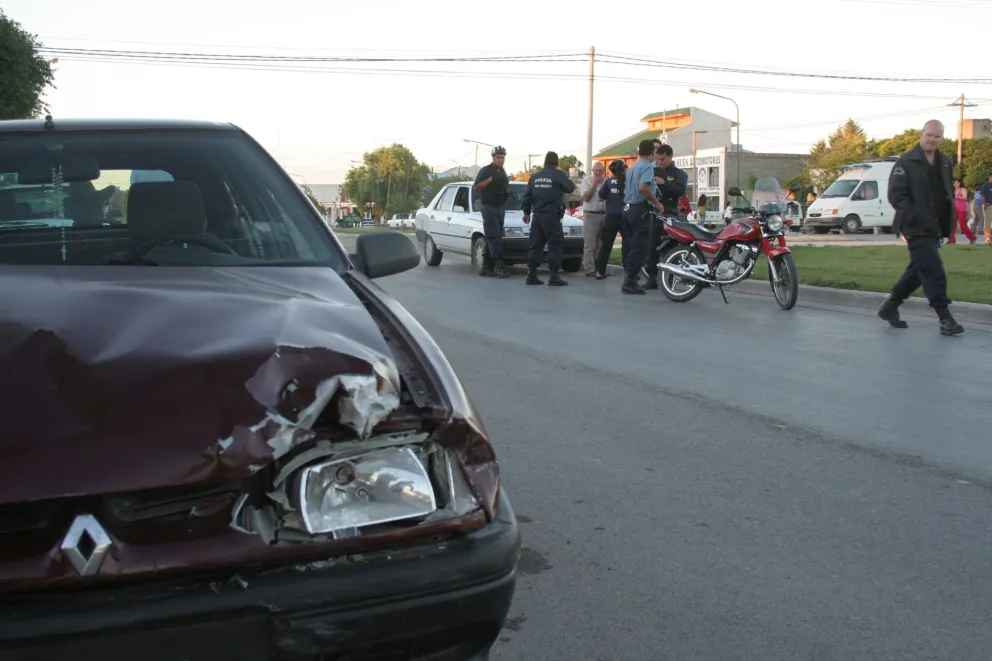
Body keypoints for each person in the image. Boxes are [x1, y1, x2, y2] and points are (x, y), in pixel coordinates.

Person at [877, 120, 964, 335]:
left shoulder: (944, 162)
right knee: (933, 269)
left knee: (919, 270)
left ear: (941, 139)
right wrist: (914, 216)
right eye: (929, 134)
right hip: (915, 226)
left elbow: (945, 193)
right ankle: (944, 316)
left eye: (937, 136)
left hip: (936, 226)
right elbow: (896, 196)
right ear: (921, 134)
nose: (932, 139)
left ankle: (890, 306)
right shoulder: (906, 162)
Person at [521, 151, 576, 286]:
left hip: (537, 216)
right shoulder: (558, 175)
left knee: (535, 245)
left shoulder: (535, 177)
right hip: (552, 216)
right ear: (556, 163)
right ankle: (554, 276)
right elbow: (570, 188)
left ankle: (531, 274)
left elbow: (527, 196)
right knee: (554, 245)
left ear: (544, 162)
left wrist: (526, 212)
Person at [620, 140, 665, 295]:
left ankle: (629, 276)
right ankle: (630, 280)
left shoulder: (632, 168)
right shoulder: (647, 167)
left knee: (633, 246)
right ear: (652, 153)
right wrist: (657, 203)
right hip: (640, 210)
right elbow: (643, 188)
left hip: (628, 209)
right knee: (641, 248)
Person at [643, 144, 688, 290]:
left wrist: (664, 183)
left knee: (670, 247)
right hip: (654, 213)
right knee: (652, 245)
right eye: (657, 159)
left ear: (670, 156)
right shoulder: (652, 171)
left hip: (670, 214)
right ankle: (651, 277)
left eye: (662, 159)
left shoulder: (679, 174)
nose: (659, 162)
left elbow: (679, 190)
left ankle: (670, 277)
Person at [473, 145, 511, 278]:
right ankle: (499, 266)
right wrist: (489, 180)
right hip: (489, 207)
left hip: (500, 206)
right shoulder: (486, 171)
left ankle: (486, 267)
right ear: (493, 158)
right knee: (494, 237)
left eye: (503, 157)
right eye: (498, 157)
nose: (501, 160)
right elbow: (476, 186)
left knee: (494, 237)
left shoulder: (503, 172)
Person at [593, 159, 628, 279]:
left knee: (606, 245)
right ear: (624, 169)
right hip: (625, 216)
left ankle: (600, 271)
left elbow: (600, 198)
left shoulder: (608, 182)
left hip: (610, 217)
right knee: (627, 244)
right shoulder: (628, 181)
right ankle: (629, 272)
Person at [579, 161, 607, 276]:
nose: (598, 173)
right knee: (590, 244)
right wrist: (594, 184)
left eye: (600, 171)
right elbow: (585, 197)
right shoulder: (587, 181)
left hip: (603, 214)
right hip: (590, 214)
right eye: (596, 171)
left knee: (600, 244)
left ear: (604, 171)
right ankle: (589, 268)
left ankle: (598, 268)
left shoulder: (606, 182)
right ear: (593, 171)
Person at [948, 180, 977, 244]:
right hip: (954, 209)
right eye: (955, 183)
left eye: (957, 183)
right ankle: (951, 239)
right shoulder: (953, 191)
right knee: (952, 225)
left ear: (960, 183)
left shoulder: (962, 190)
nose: (956, 184)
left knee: (962, 225)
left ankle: (972, 237)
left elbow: (965, 198)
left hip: (962, 209)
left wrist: (956, 196)